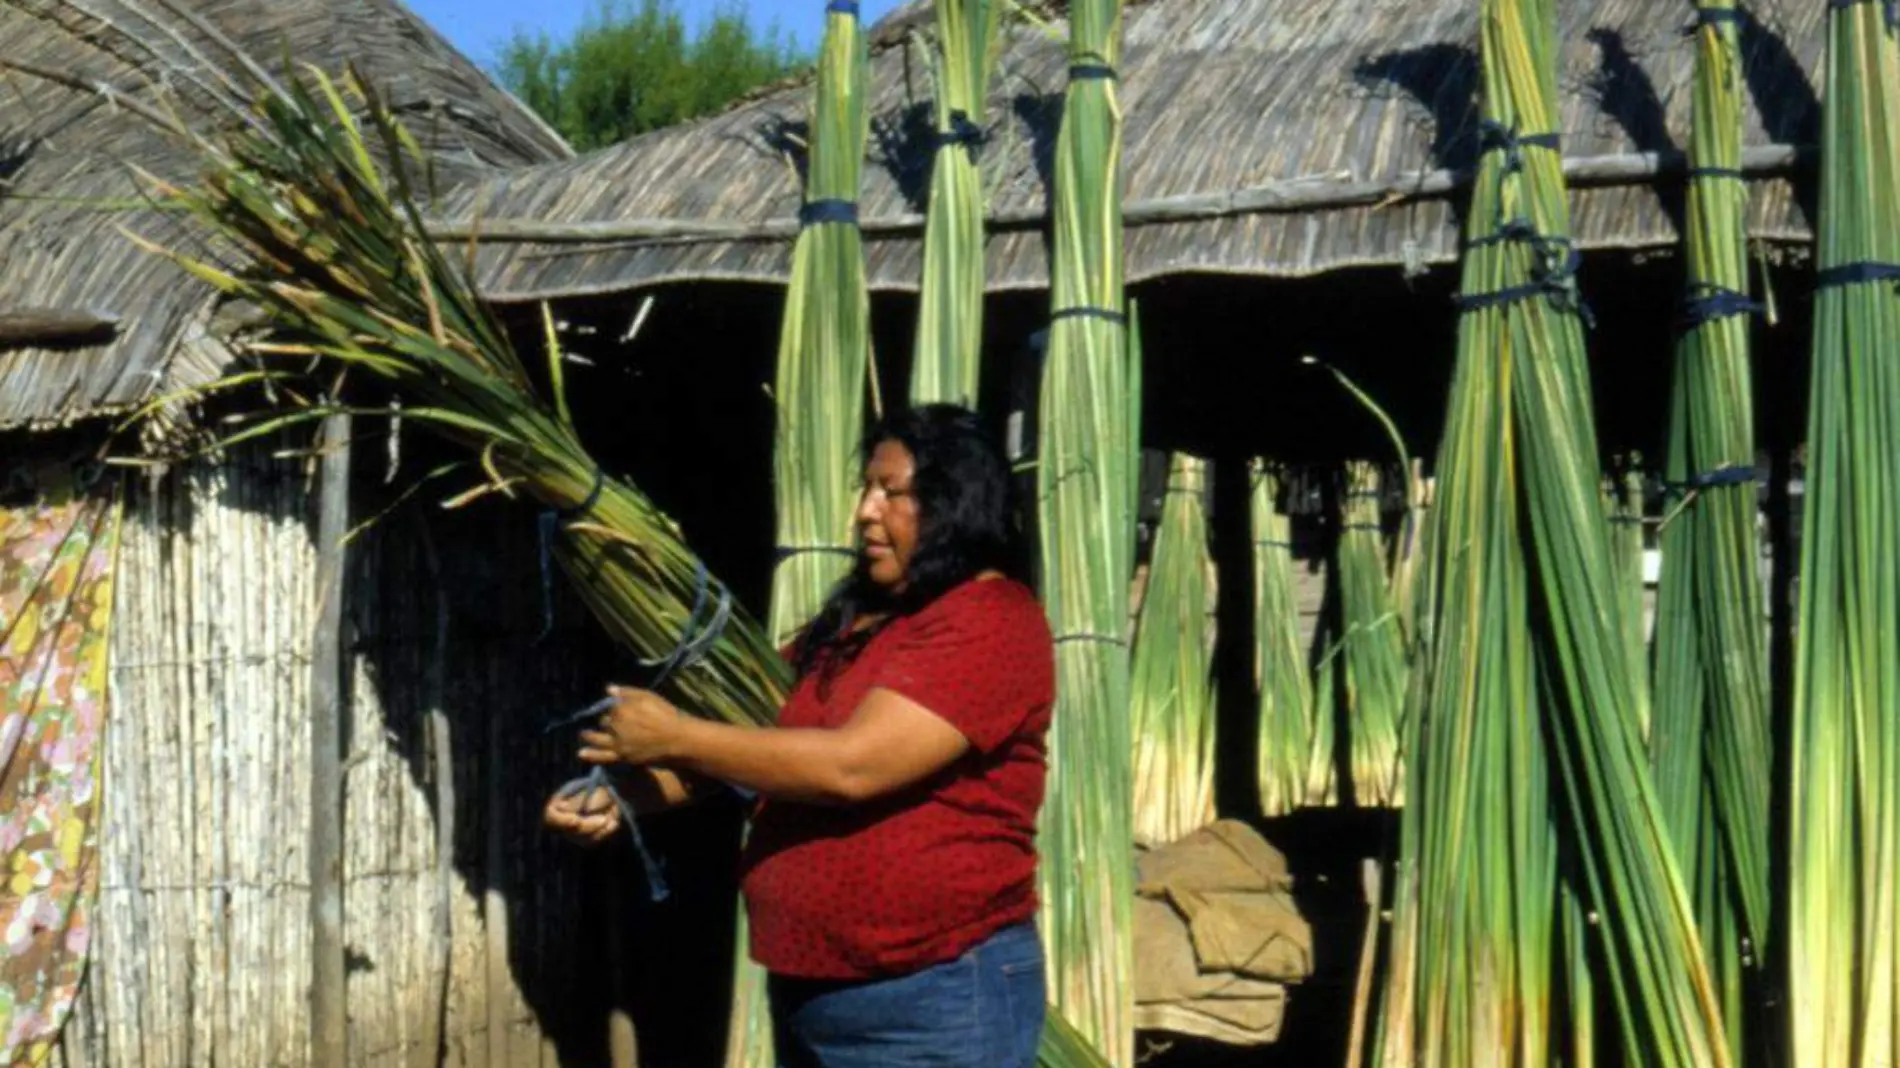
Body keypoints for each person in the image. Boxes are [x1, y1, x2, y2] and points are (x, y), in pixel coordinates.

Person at [543, 403, 1056, 1068]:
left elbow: (853, 767)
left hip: (937, 997)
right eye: (866, 489)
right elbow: (753, 749)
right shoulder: (849, 627)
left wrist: (673, 735)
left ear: (954, 505)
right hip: (815, 999)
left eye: (890, 493)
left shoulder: (991, 620)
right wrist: (625, 795)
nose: (865, 512)